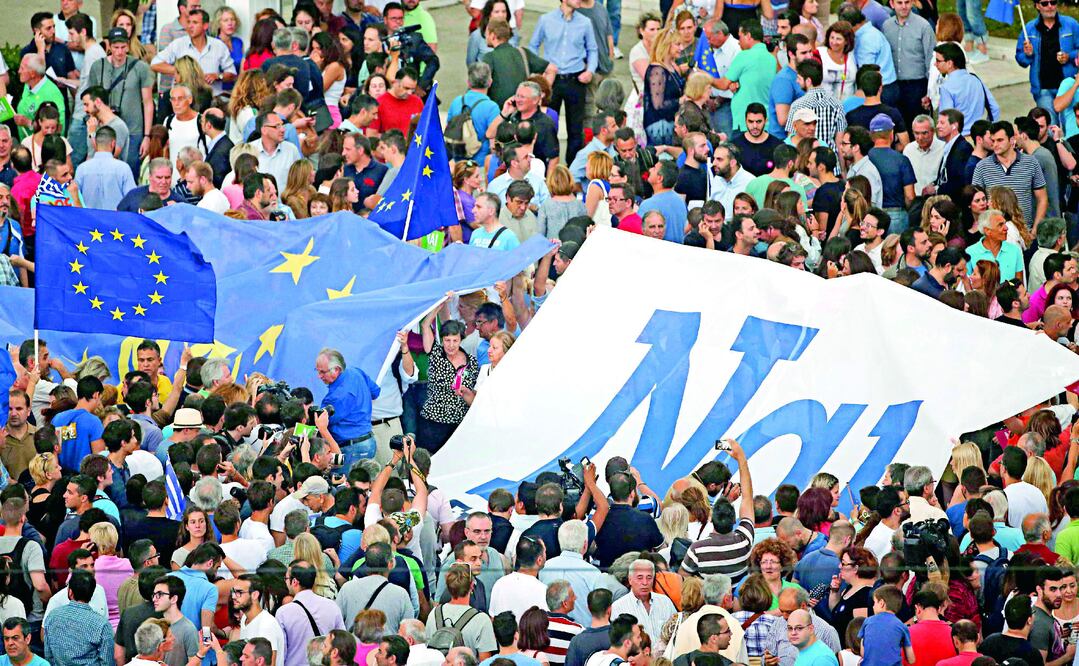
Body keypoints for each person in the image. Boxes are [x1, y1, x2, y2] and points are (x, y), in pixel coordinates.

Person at [528, 0, 599, 165]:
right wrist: (540, 70)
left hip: (576, 78)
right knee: (548, 123)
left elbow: (592, 49)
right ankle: (546, 163)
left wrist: (590, 71)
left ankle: (572, 167)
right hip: (552, 80)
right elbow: (533, 46)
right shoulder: (545, 20)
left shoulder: (585, 22)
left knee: (575, 127)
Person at [973, 121, 1048, 231]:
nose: (995, 144)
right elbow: (975, 201)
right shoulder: (982, 167)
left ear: (1012, 140)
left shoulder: (1031, 163)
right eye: (993, 141)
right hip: (995, 234)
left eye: (1000, 140)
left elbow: (1042, 198)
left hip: (1025, 232)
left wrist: (1035, 230)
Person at [1015, 0, 1079, 125]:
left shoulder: (1071, 24)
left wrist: (1069, 56)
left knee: (1070, 128)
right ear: (1037, 6)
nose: (1050, 6)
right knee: (1051, 128)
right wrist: (1028, 55)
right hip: (1043, 89)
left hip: (1068, 86)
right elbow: (1020, 58)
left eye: (1053, 2)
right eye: (1045, 3)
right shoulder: (1029, 29)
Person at [316, 348, 378, 469]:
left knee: (342, 484)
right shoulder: (356, 372)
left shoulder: (335, 398)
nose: (319, 376)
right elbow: (375, 392)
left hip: (349, 449)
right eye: (317, 371)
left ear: (337, 370)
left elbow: (321, 423)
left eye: (323, 372)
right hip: (369, 442)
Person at [43, 570, 114, 665]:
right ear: (92, 593)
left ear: (70, 592)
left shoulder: (52, 616)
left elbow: (48, 655)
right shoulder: (102, 625)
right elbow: (107, 662)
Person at [935, 44, 999, 136]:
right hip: (979, 138)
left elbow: (946, 121)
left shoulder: (947, 87)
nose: (935, 64)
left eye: (938, 61)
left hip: (959, 139)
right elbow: (995, 108)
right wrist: (986, 130)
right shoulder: (976, 80)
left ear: (949, 63)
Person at [74, 126, 136, 210]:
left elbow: (74, 197)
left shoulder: (82, 169)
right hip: (115, 221)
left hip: (88, 220)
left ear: (95, 143)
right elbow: (132, 199)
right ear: (113, 143)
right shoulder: (123, 168)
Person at [638, 161, 687, 244]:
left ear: (660, 178)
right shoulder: (680, 201)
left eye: (654, 169)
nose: (650, 170)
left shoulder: (648, 205)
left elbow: (639, 234)